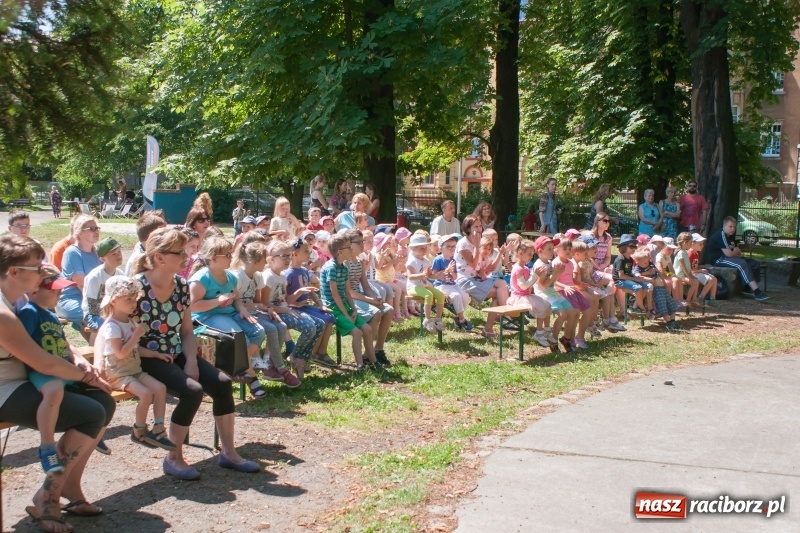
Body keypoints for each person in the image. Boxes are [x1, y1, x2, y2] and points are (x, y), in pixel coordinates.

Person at [0, 235, 114, 531]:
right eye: (37, 267)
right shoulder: (3, 313)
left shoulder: (19, 297)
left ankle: (69, 488)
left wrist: (77, 357)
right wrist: (89, 376)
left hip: (25, 378)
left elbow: (49, 343)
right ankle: (48, 499)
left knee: (104, 402)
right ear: (14, 272)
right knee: (91, 411)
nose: (43, 273)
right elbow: (44, 363)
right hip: (5, 389)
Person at [131, 227, 260, 478]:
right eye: (179, 252)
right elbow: (121, 334)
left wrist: (191, 359)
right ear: (159, 258)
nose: (186, 257)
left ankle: (229, 453)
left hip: (176, 352)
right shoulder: (136, 288)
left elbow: (187, 331)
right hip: (144, 356)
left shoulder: (180, 285)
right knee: (193, 391)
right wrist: (158, 356)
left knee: (222, 383)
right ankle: (173, 457)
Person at [96, 275, 176, 450]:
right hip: (118, 374)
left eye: (134, 299)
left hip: (134, 370)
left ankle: (158, 429)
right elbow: (121, 352)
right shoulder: (112, 326)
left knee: (160, 389)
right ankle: (139, 430)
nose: (133, 303)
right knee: (146, 394)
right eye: (128, 299)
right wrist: (136, 335)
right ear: (114, 301)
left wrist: (155, 354)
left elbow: (135, 349)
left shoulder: (130, 321)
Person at [188, 236, 267, 397]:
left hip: (230, 314)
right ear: (213, 258)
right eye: (228, 255)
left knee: (258, 332)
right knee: (239, 337)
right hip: (206, 316)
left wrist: (242, 310)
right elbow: (192, 306)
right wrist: (218, 301)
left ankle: (234, 368)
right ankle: (251, 378)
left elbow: (236, 298)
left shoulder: (230, 277)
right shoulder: (202, 278)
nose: (232, 257)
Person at [261, 240, 324, 380]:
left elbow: (286, 300)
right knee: (309, 327)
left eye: (289, 256)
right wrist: (287, 311)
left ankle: (298, 357)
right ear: (272, 258)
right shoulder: (268, 276)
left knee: (319, 324)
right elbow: (265, 304)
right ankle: (296, 358)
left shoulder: (281, 276)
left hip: (285, 310)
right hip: (275, 314)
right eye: (284, 256)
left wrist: (300, 291)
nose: (288, 259)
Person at [319, 233, 379, 370]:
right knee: (357, 332)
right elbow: (335, 296)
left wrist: (354, 309)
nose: (351, 249)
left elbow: (346, 292)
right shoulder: (331, 268)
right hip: (333, 307)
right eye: (348, 247)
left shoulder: (344, 268)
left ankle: (374, 362)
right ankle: (360, 366)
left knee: (367, 329)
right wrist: (346, 314)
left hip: (345, 305)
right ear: (340, 252)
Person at [284, 238, 337, 367]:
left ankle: (321, 352)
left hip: (305, 306)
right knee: (319, 322)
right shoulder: (287, 274)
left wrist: (320, 304)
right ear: (295, 254)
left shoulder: (304, 271)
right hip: (293, 308)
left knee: (329, 317)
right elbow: (285, 299)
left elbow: (311, 290)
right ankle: (309, 355)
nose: (309, 253)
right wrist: (296, 302)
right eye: (306, 251)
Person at [455, 215, 509, 339]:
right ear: (468, 228)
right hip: (465, 280)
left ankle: (503, 316)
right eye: (476, 226)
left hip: (477, 278)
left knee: (501, 285)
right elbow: (473, 264)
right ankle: (495, 323)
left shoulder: (480, 240)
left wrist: (499, 254)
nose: (479, 229)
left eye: (480, 226)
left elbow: (488, 267)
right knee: (497, 294)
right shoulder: (463, 244)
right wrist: (476, 245)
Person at [56, 215, 102, 330]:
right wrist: (100, 306)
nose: (96, 231)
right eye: (92, 229)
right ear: (80, 233)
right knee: (101, 318)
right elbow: (82, 285)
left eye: (97, 228)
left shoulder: (97, 252)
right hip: (72, 300)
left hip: (92, 299)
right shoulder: (72, 253)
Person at [705, 216, 767, 301]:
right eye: (730, 226)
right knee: (742, 264)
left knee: (754, 263)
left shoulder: (729, 236)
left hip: (727, 257)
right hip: (719, 259)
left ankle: (747, 288)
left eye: (734, 227)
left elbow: (736, 250)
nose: (732, 229)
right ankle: (757, 292)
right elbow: (729, 254)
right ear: (724, 225)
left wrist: (738, 254)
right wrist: (738, 256)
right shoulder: (721, 234)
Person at [532, 236, 575, 353]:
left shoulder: (549, 263)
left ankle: (566, 339)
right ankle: (553, 340)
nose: (552, 251)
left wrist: (556, 274)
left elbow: (552, 282)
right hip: (544, 294)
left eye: (552, 248)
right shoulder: (539, 266)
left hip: (552, 292)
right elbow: (543, 286)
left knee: (571, 312)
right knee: (562, 315)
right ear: (540, 251)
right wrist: (555, 274)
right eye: (549, 249)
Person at [507, 239, 553, 348]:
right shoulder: (518, 269)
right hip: (518, 297)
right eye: (529, 254)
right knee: (541, 307)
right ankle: (539, 333)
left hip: (526, 295)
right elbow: (523, 286)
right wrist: (535, 276)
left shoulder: (526, 268)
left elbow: (529, 285)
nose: (531, 256)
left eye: (532, 254)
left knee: (547, 305)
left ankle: (546, 330)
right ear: (520, 254)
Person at [552, 239, 593, 351]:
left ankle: (572, 338)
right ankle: (568, 339)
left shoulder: (570, 263)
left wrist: (578, 286)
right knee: (574, 313)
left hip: (572, 291)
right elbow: (553, 282)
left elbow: (570, 280)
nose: (568, 251)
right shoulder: (556, 263)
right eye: (565, 249)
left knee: (587, 310)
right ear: (556, 250)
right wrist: (564, 287)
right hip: (562, 292)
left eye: (570, 249)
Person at [82, 237, 124, 343]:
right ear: (102, 259)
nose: (118, 255)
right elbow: (92, 306)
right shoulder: (95, 277)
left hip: (113, 312)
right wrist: (110, 316)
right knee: (104, 325)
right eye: (113, 254)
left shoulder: (121, 275)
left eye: (119, 252)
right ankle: (94, 353)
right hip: (94, 314)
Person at [430, 233, 473, 331]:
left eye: (454, 246)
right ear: (441, 248)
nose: (452, 249)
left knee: (465, 295)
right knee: (456, 296)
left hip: (452, 283)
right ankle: (462, 320)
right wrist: (446, 271)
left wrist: (451, 272)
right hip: (441, 285)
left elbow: (455, 277)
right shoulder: (438, 259)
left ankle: (458, 316)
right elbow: (434, 275)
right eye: (448, 247)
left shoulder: (454, 259)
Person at [632, 246, 681, 330]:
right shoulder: (638, 268)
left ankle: (672, 321)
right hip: (657, 289)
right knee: (662, 306)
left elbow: (658, 271)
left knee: (672, 305)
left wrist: (664, 281)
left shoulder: (650, 263)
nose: (647, 263)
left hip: (663, 287)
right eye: (644, 262)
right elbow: (637, 275)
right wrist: (648, 274)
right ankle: (669, 322)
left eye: (647, 261)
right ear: (638, 262)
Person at [406, 234, 446, 332]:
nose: (424, 250)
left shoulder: (426, 261)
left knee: (440, 295)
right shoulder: (411, 261)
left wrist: (438, 276)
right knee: (429, 295)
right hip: (413, 287)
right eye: (421, 248)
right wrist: (421, 275)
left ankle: (438, 319)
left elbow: (429, 275)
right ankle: (427, 319)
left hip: (423, 285)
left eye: (425, 247)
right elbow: (410, 276)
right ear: (413, 249)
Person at [612, 234, 654, 314]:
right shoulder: (620, 259)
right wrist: (635, 279)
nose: (634, 249)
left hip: (628, 279)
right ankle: (641, 308)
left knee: (647, 286)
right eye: (631, 247)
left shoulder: (631, 259)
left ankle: (636, 305)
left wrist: (639, 278)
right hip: (620, 281)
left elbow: (629, 272)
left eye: (635, 247)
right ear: (624, 247)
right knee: (638, 287)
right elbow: (621, 276)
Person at [124, 210, 167, 276]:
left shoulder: (156, 253)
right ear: (149, 237)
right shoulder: (136, 260)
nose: (167, 236)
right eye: (162, 233)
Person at [688, 233, 720, 305]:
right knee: (710, 279)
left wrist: (700, 270)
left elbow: (694, 267)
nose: (702, 246)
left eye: (702, 244)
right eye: (700, 244)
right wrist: (700, 270)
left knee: (714, 279)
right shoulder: (689, 254)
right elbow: (690, 270)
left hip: (696, 272)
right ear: (693, 244)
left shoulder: (696, 254)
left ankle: (712, 298)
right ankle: (700, 298)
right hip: (692, 274)